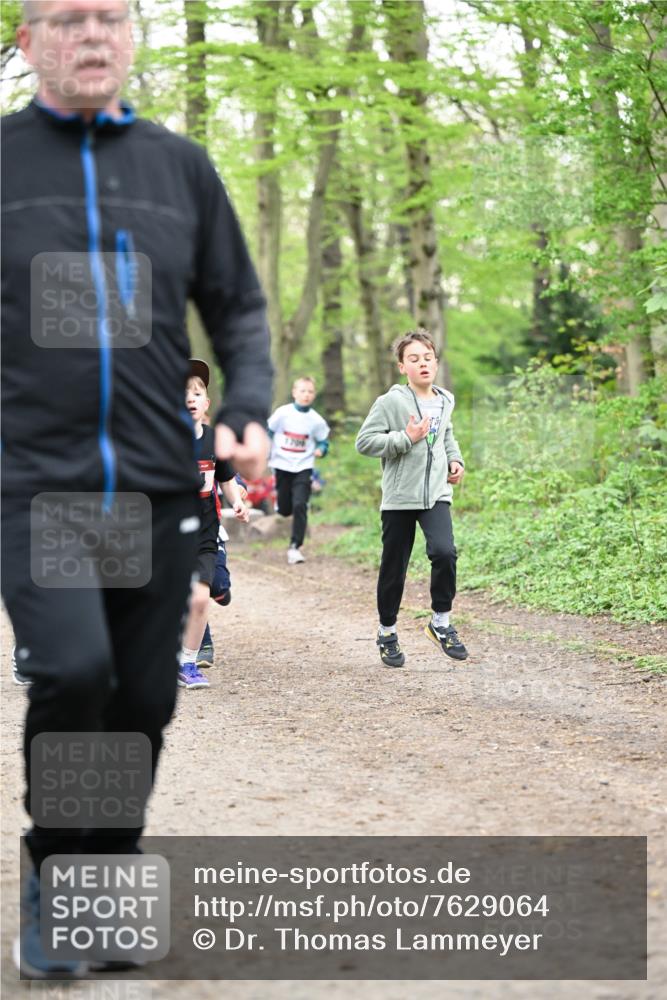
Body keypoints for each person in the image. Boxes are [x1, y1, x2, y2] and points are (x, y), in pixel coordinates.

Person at [2, 0, 271, 978]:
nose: (91, 33)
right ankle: (55, 862)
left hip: (155, 487)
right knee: (74, 671)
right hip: (44, 486)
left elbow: (236, 303)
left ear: (132, 37)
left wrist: (246, 404)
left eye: (109, 15)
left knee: (144, 696)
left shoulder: (178, 168)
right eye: (66, 17)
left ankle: (105, 878)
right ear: (28, 42)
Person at [355, 330, 469, 668]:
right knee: (395, 567)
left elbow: (446, 435)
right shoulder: (390, 402)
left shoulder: (445, 399)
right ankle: (387, 632)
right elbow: (365, 442)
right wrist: (405, 437)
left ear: (436, 361)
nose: (423, 363)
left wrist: (456, 460)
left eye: (428, 357)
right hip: (400, 497)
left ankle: (441, 623)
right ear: (402, 367)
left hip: (436, 493)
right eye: (414, 359)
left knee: (444, 552)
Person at [179, 360, 249, 690]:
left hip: (204, 534)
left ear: (207, 403)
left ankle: (187, 663)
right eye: (183, 393)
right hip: (162, 535)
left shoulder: (213, 441)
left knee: (198, 600)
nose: (191, 398)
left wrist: (237, 501)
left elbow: (226, 479)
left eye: (197, 392)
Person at [268, 376, 330, 564]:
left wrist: (321, 449)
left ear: (314, 395)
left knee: (300, 505)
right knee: (286, 509)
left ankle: (295, 547)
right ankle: (282, 506)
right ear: (294, 392)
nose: (306, 395)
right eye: (302, 391)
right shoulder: (282, 413)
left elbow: (323, 440)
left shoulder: (316, 420)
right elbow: (268, 431)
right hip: (281, 465)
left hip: (303, 466)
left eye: (310, 392)